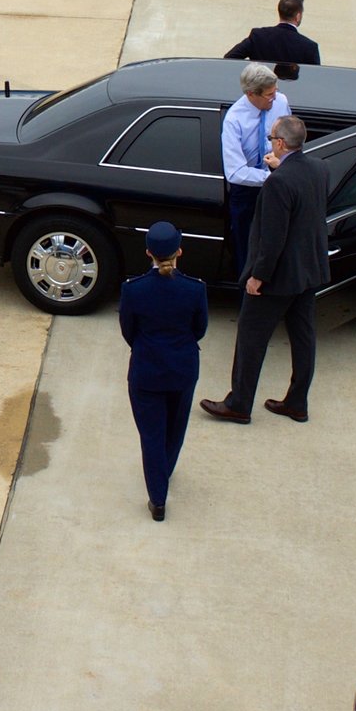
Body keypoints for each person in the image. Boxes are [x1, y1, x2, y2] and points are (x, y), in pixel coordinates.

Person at [202, 113, 328, 425]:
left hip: (278, 277)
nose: (270, 142)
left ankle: (239, 404)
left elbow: (272, 238)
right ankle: (297, 402)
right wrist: (279, 167)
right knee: (303, 337)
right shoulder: (319, 169)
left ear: (282, 143)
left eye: (272, 138)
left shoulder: (278, 184)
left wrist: (258, 276)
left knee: (251, 338)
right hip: (309, 270)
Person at [119, 220, 210, 520]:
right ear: (179, 251)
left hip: (146, 371)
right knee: (175, 428)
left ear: (148, 253)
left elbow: (129, 331)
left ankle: (158, 498)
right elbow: (199, 329)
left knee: (151, 434)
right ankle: (164, 472)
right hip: (183, 369)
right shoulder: (195, 290)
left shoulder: (133, 290)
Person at [220, 63, 291, 275]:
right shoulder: (234, 120)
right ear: (251, 94)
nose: (274, 98)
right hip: (248, 192)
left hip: (278, 180)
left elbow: (289, 137)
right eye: (269, 95)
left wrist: (284, 164)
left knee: (281, 245)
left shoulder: (281, 102)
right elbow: (235, 172)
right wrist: (271, 177)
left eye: (275, 92)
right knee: (249, 252)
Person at [225, 0, 321, 73]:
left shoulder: (258, 36)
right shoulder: (309, 47)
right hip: (293, 93)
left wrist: (251, 76)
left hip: (261, 91)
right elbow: (315, 77)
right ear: (298, 16)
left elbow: (229, 59)